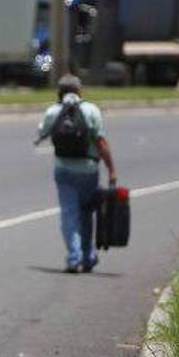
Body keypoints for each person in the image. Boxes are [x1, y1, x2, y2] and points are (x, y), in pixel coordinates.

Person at [34, 73, 117, 273]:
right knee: (87, 213)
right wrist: (112, 169)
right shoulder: (91, 110)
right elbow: (101, 142)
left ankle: (74, 258)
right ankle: (88, 257)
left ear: (59, 92)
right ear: (80, 91)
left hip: (64, 171)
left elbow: (42, 132)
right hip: (89, 170)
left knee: (69, 214)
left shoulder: (53, 111)